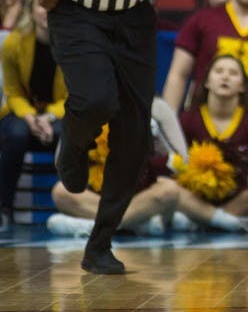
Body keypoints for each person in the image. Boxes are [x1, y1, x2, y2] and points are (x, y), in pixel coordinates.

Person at [10, 0, 203, 274]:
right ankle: (71, 147)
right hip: (77, 13)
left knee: (134, 137)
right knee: (96, 99)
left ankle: (100, 244)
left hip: (135, 19)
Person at [45, 97, 186, 239]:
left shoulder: (157, 107)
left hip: (142, 195)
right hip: (98, 193)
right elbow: (61, 161)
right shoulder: (84, 105)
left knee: (170, 190)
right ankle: (134, 224)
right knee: (61, 191)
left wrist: (155, 149)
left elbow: (182, 161)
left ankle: (95, 226)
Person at [176, 54, 248, 232]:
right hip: (196, 195)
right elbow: (179, 164)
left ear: (243, 86)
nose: (225, 77)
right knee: (170, 190)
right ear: (206, 82)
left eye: (233, 73)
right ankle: (225, 221)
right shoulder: (189, 119)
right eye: (219, 71)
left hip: (239, 197)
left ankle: (203, 220)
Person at [0, 0, 65, 231]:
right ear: (31, 10)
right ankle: (4, 207)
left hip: (56, 113)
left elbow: (72, 97)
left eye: (52, 8)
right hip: (21, 112)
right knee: (16, 134)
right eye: (41, 6)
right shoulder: (13, 44)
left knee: (68, 134)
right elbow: (13, 92)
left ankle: (69, 205)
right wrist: (30, 117)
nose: (47, 12)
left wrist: (48, 117)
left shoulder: (71, 46)